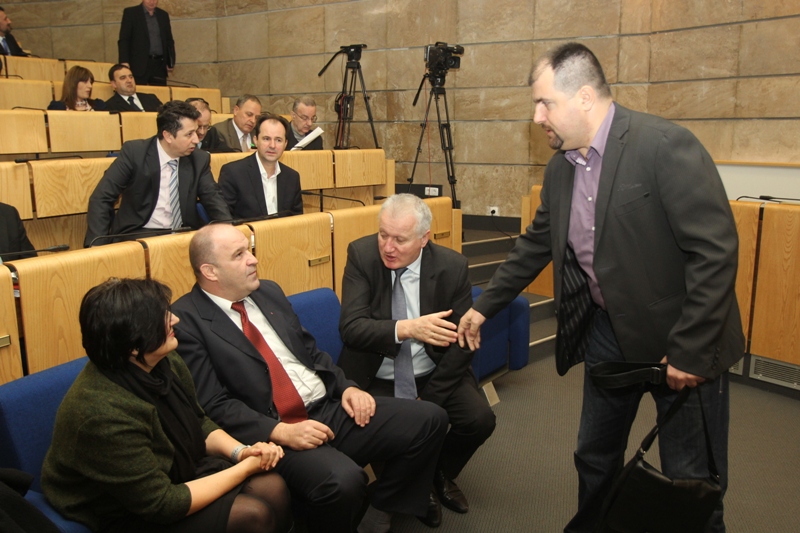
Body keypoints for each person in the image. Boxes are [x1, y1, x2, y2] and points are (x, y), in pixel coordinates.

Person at [457, 42, 744, 533]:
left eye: (545, 103)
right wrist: (485, 307)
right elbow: (534, 246)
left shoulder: (664, 145)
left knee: (690, 475)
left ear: (585, 97)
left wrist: (692, 351)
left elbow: (715, 253)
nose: (536, 116)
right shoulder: (559, 168)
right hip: (608, 333)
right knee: (594, 456)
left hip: (683, 336)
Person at [171, 223, 448, 533]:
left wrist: (347, 388)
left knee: (430, 419)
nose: (253, 260)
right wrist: (280, 432)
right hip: (274, 431)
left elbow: (310, 353)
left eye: (249, 250)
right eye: (239, 255)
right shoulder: (186, 322)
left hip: (326, 406)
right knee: (344, 481)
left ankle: (381, 509)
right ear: (210, 271)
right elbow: (213, 405)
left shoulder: (268, 291)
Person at [41, 278, 292, 533]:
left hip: (173, 471)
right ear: (132, 343)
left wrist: (241, 453)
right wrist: (244, 469)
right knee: (252, 515)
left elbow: (198, 421)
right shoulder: (101, 415)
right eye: (161, 318)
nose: (175, 320)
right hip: (119, 507)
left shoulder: (164, 360)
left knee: (272, 485)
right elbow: (161, 503)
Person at [338, 193, 495, 525]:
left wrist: (429, 399)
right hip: (375, 374)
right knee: (384, 432)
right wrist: (406, 328)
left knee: (479, 420)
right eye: (383, 235)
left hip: (432, 373)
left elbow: (463, 342)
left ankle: (436, 474)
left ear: (424, 238)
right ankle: (419, 487)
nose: (388, 247)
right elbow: (352, 329)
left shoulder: (452, 267)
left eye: (400, 239)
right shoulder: (361, 255)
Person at [84, 100, 230, 247]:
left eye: (196, 131)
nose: (196, 139)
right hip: (139, 235)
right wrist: (97, 248)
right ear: (168, 136)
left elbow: (213, 198)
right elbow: (101, 198)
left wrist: (229, 233)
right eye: (189, 134)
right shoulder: (135, 153)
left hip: (184, 234)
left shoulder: (199, 159)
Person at [218, 114, 303, 219]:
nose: (272, 145)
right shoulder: (233, 173)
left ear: (285, 144)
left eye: (278, 140)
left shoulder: (292, 177)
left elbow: (297, 220)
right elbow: (225, 220)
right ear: (255, 140)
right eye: (266, 139)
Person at [118, 0, 175, 86]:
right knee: (140, 94)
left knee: (160, 95)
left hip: (159, 64)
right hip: (139, 64)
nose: (152, 2)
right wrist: (124, 61)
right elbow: (124, 40)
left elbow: (169, 40)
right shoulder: (131, 13)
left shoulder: (163, 15)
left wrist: (170, 61)